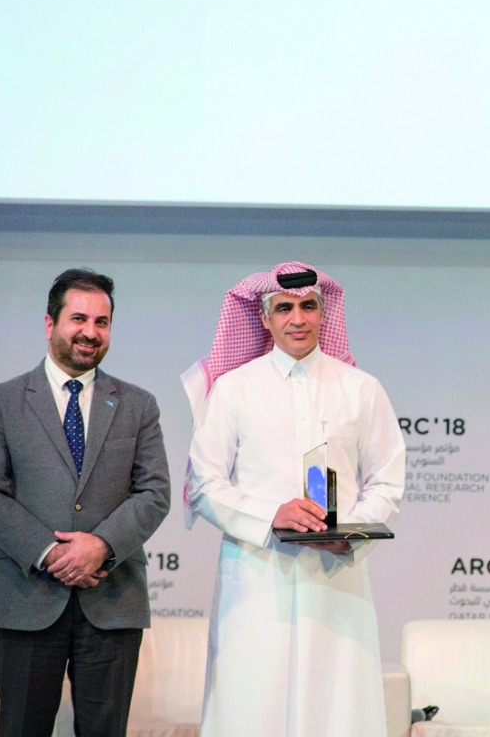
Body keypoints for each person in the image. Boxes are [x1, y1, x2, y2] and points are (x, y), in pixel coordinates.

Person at [183, 261, 405, 737]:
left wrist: (350, 534)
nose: (297, 319)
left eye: (308, 306)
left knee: (338, 713)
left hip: (336, 585)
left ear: (325, 313)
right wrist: (272, 516)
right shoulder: (234, 389)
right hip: (257, 583)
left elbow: (387, 482)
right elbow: (203, 483)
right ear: (264, 318)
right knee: (250, 710)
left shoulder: (361, 389)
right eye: (284, 308)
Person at [0, 268, 170, 737]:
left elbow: (155, 492)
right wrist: (52, 552)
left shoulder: (139, 404)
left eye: (102, 322)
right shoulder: (1, 400)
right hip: (25, 595)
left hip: (113, 598)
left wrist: (99, 545)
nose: (90, 332)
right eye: (79, 318)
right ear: (49, 323)